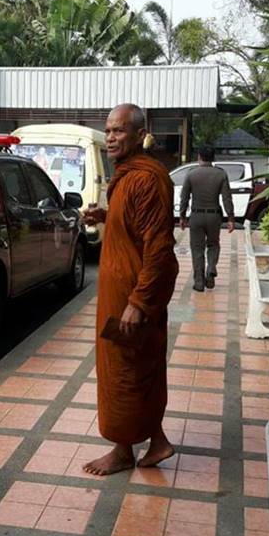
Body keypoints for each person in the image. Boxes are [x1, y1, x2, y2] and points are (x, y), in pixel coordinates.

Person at [82, 104, 178, 475]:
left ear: (140, 135)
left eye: (119, 131)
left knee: (125, 370)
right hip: (119, 293)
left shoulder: (148, 178)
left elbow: (159, 247)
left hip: (133, 295)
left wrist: (138, 302)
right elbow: (135, 225)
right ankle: (157, 441)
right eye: (108, 130)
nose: (110, 138)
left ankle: (123, 450)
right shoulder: (128, 174)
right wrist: (105, 216)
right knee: (139, 367)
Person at [179, 146, 234, 292]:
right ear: (213, 158)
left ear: (199, 157)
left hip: (196, 216)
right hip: (214, 216)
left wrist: (182, 217)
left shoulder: (191, 174)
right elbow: (227, 198)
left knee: (197, 248)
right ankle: (211, 268)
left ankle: (199, 282)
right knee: (213, 244)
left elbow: (184, 198)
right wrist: (230, 218)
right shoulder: (221, 174)